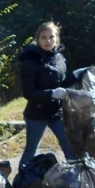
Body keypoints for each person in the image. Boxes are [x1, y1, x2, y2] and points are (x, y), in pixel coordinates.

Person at [17, 21, 87, 170]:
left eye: (51, 37)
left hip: (57, 112)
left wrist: (76, 75)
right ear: (38, 39)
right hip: (36, 113)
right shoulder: (30, 61)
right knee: (31, 150)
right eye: (43, 37)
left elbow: (61, 84)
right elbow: (28, 93)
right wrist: (52, 94)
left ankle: (78, 181)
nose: (48, 41)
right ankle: (21, 184)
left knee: (69, 147)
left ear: (57, 39)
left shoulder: (59, 57)